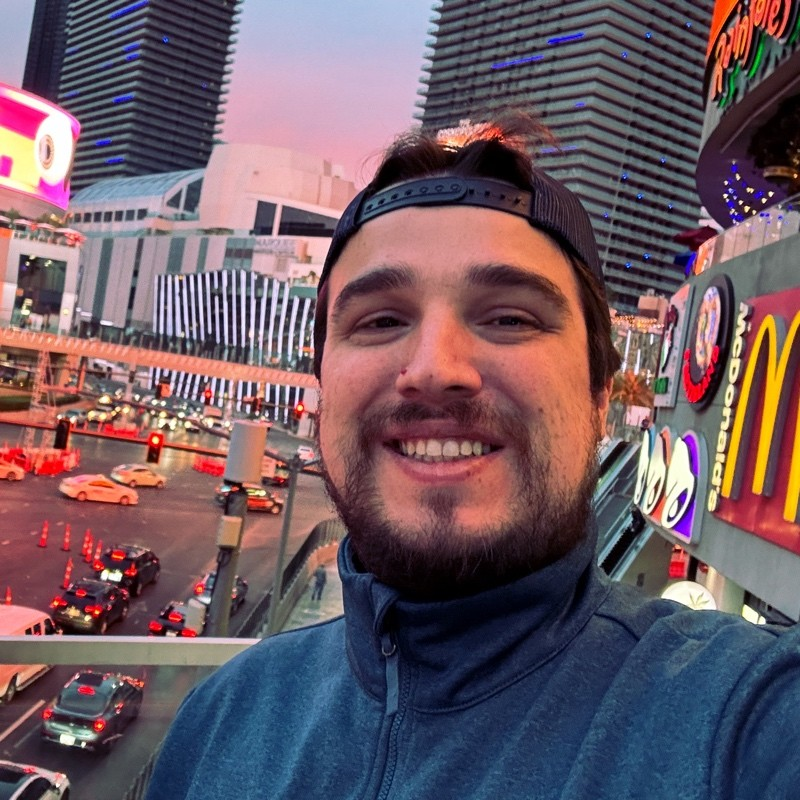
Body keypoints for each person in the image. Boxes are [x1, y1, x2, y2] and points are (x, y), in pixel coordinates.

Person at [145, 117, 800, 800]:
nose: (434, 368)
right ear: (321, 392)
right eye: (381, 320)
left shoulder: (743, 720)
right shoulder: (218, 721)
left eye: (509, 318)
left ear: (599, 395)